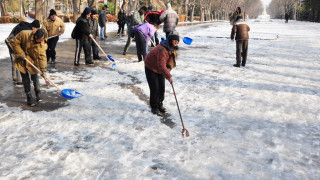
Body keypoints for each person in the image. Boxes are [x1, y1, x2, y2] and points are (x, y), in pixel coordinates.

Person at [144, 30, 180, 115]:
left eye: (177, 40)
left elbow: (170, 61)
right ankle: (154, 107)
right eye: (175, 40)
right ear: (170, 40)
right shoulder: (162, 49)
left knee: (162, 88)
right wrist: (168, 76)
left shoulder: (172, 48)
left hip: (159, 68)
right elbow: (161, 65)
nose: (176, 41)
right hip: (151, 67)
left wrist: (169, 68)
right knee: (155, 89)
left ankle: (159, 104)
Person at [10, 29, 48, 107]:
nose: (41, 42)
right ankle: (29, 96)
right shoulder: (24, 34)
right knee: (26, 79)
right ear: (35, 36)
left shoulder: (42, 44)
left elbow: (43, 57)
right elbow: (14, 42)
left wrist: (43, 70)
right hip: (21, 60)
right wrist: (20, 52)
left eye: (42, 40)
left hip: (33, 61)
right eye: (39, 40)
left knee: (35, 77)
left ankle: (38, 92)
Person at [5, 20, 40, 85]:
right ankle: (19, 80)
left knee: (14, 60)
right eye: (36, 29)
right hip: (13, 44)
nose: (36, 31)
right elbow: (23, 43)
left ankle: (15, 77)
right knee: (19, 60)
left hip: (10, 41)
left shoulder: (26, 25)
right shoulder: (27, 30)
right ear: (34, 27)